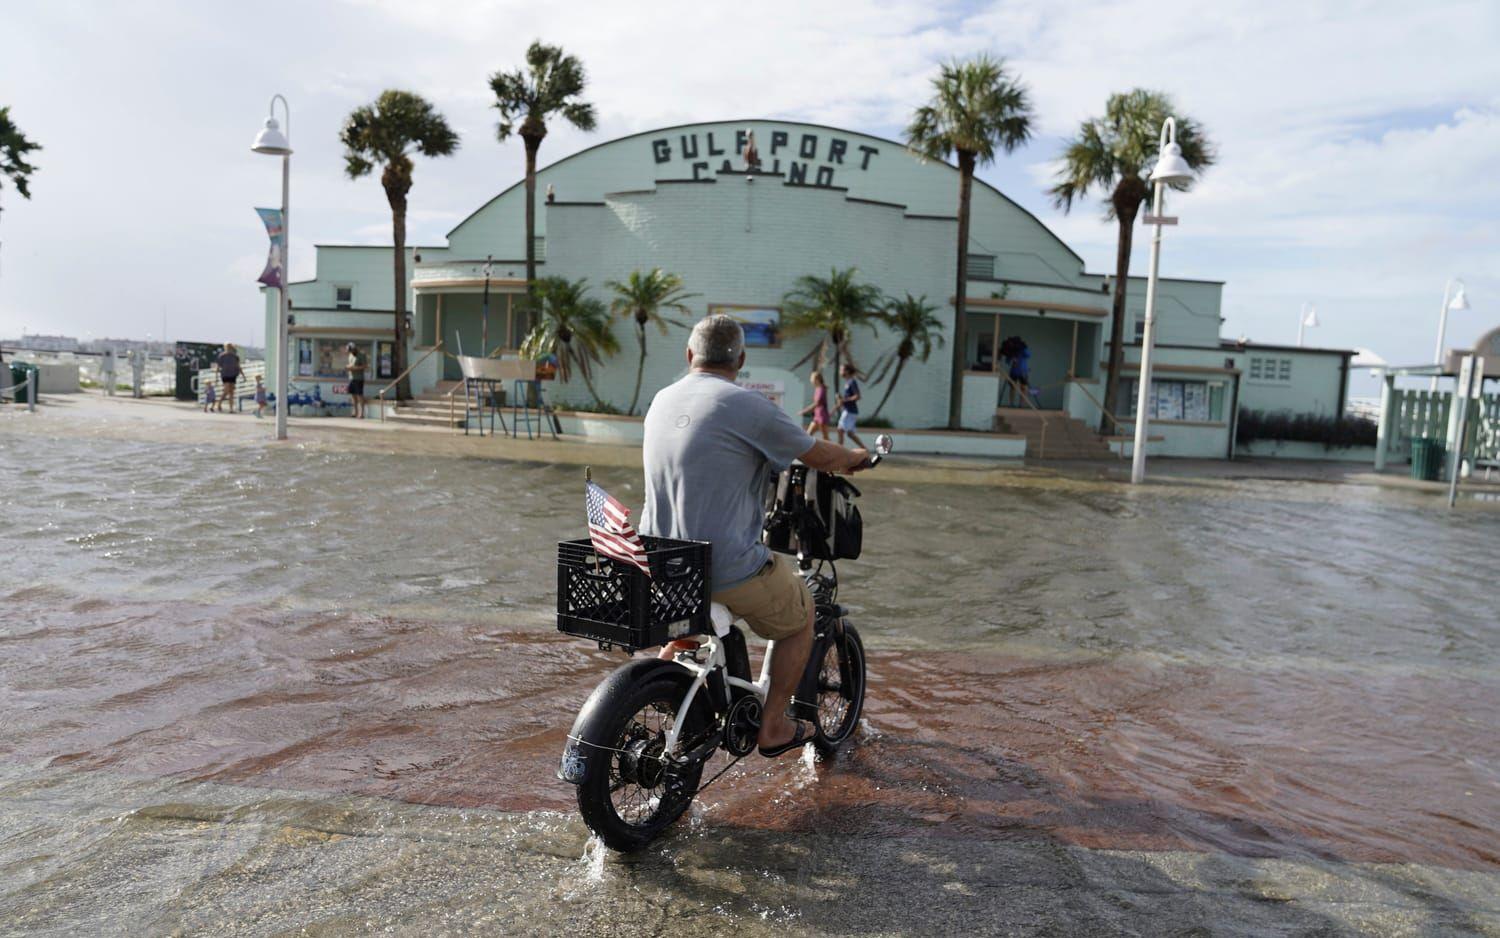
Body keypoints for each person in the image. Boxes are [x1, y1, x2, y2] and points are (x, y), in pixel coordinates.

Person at [641, 315, 868, 758]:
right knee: (800, 614)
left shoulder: (662, 399)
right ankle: (775, 725)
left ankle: (663, 680)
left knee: (693, 617)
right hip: (722, 564)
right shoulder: (746, 405)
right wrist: (856, 458)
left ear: (690, 356)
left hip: (660, 559)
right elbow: (816, 453)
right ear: (740, 360)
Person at [836, 363, 866, 449]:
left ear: (847, 371)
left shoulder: (852, 382)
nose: (840, 372)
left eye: (841, 370)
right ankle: (864, 449)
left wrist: (844, 400)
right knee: (850, 434)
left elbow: (858, 396)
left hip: (850, 411)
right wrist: (841, 399)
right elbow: (848, 399)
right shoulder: (848, 383)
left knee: (840, 429)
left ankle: (839, 451)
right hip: (849, 410)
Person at [800, 371, 830, 440]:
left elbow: (817, 403)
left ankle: (834, 450)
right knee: (808, 435)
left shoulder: (822, 389)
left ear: (816, 379)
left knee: (825, 438)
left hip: (822, 416)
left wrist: (805, 411)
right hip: (817, 416)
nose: (811, 380)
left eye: (811, 378)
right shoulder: (817, 389)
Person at [215, 343, 241, 413]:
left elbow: (238, 366)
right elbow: (218, 367)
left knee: (231, 392)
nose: (228, 348)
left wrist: (243, 375)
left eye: (229, 347)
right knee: (226, 390)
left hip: (233, 374)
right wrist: (216, 377)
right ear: (225, 347)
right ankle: (219, 403)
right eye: (227, 347)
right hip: (225, 374)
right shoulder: (222, 356)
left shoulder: (235, 356)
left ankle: (231, 409)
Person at [346, 342, 367, 418]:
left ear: (355, 349)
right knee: (353, 396)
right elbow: (350, 364)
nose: (351, 352)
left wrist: (355, 368)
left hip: (359, 378)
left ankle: (362, 413)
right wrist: (348, 367)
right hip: (351, 378)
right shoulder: (350, 355)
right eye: (349, 351)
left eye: (351, 350)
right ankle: (355, 412)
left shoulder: (362, 355)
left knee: (359, 395)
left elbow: (365, 366)